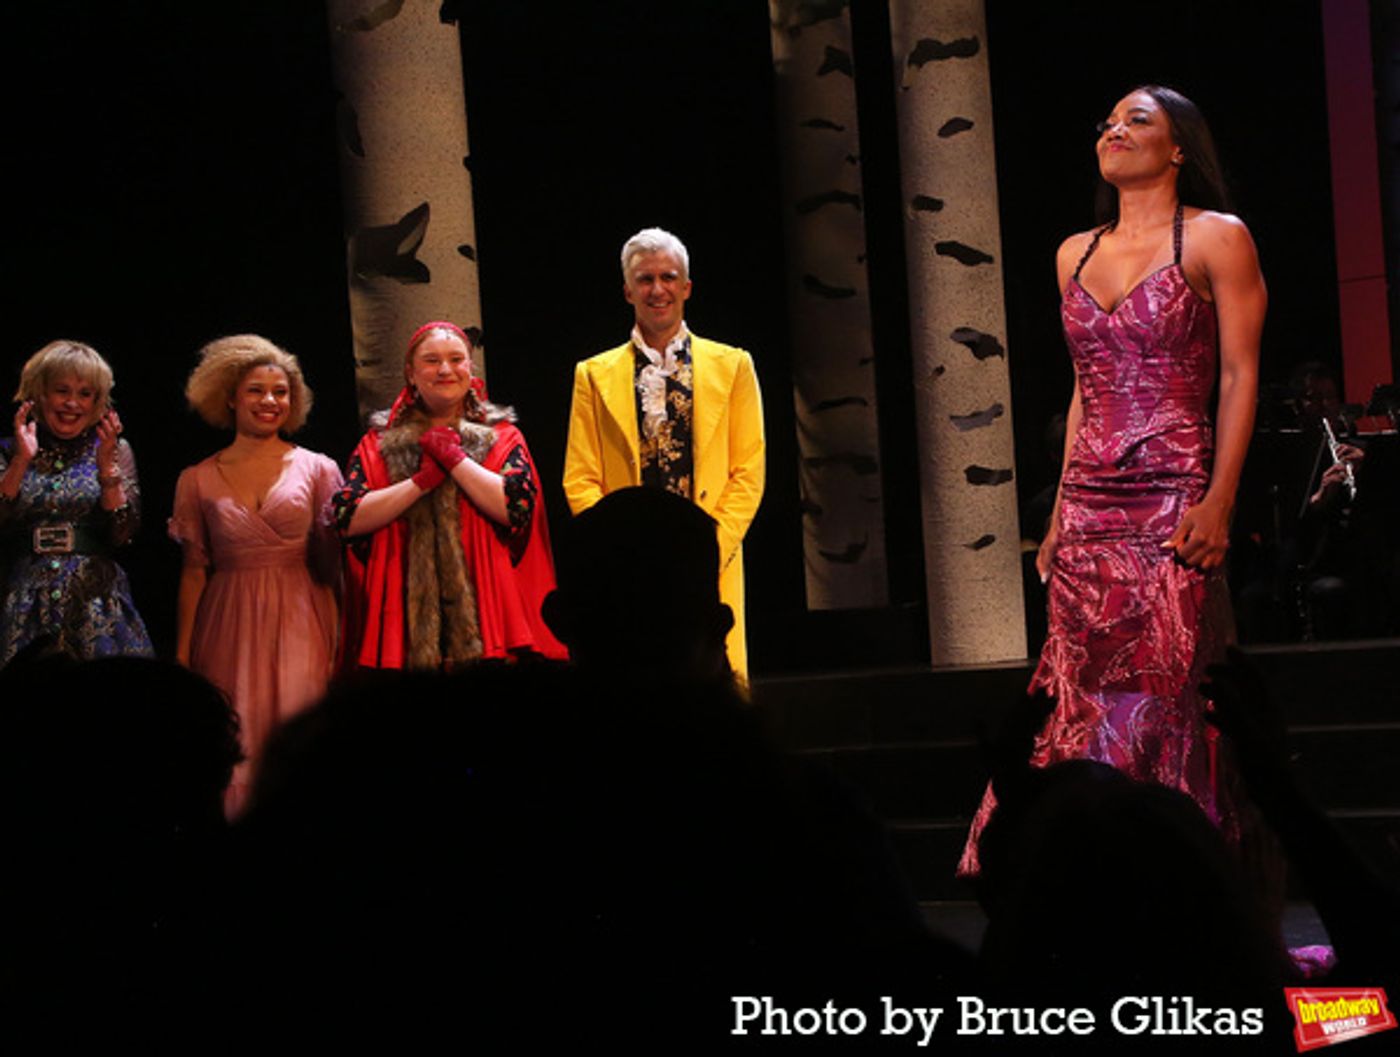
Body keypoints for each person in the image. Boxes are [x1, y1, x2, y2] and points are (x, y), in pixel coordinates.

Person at [960, 86, 1267, 873]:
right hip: (1090, 503)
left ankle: (1178, 869)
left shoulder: (1217, 238)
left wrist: (1220, 498)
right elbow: (1081, 391)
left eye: (1138, 120)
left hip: (1173, 495)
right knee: (1083, 688)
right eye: (1107, 121)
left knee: (1167, 685)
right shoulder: (1075, 252)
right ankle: (1080, 869)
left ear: (1178, 150)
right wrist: (1060, 512)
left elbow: (1238, 374)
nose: (1114, 130)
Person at [562, 227, 765, 682]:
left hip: (708, 562)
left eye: (669, 277)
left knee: (713, 686)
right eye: (645, 279)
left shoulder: (733, 366)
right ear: (627, 289)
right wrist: (614, 552)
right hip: (628, 570)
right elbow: (580, 477)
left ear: (687, 287)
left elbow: (748, 471)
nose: (658, 289)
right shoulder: (593, 375)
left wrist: (712, 546)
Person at [169, 335, 343, 811]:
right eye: (256, 390)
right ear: (230, 396)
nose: (270, 401)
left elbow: (332, 569)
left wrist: (338, 641)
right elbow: (193, 572)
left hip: (301, 616)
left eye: (280, 391)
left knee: (298, 735)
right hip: (227, 620)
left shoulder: (318, 469)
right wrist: (183, 658)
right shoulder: (197, 478)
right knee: (237, 735)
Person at [335, 320, 564, 668]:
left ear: (470, 370)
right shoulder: (377, 444)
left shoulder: (502, 437)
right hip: (403, 614)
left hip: (485, 611)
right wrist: (420, 482)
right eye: (431, 361)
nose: (445, 369)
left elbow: (515, 508)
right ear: (411, 374)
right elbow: (348, 519)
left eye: (456, 359)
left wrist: (454, 459)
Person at [0, 339, 153, 666]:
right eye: (62, 391)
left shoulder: (114, 450)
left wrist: (106, 469)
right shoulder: (9, 449)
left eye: (85, 394)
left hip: (95, 602)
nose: (72, 403)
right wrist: (20, 461)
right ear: (39, 393)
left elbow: (123, 534)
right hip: (24, 602)